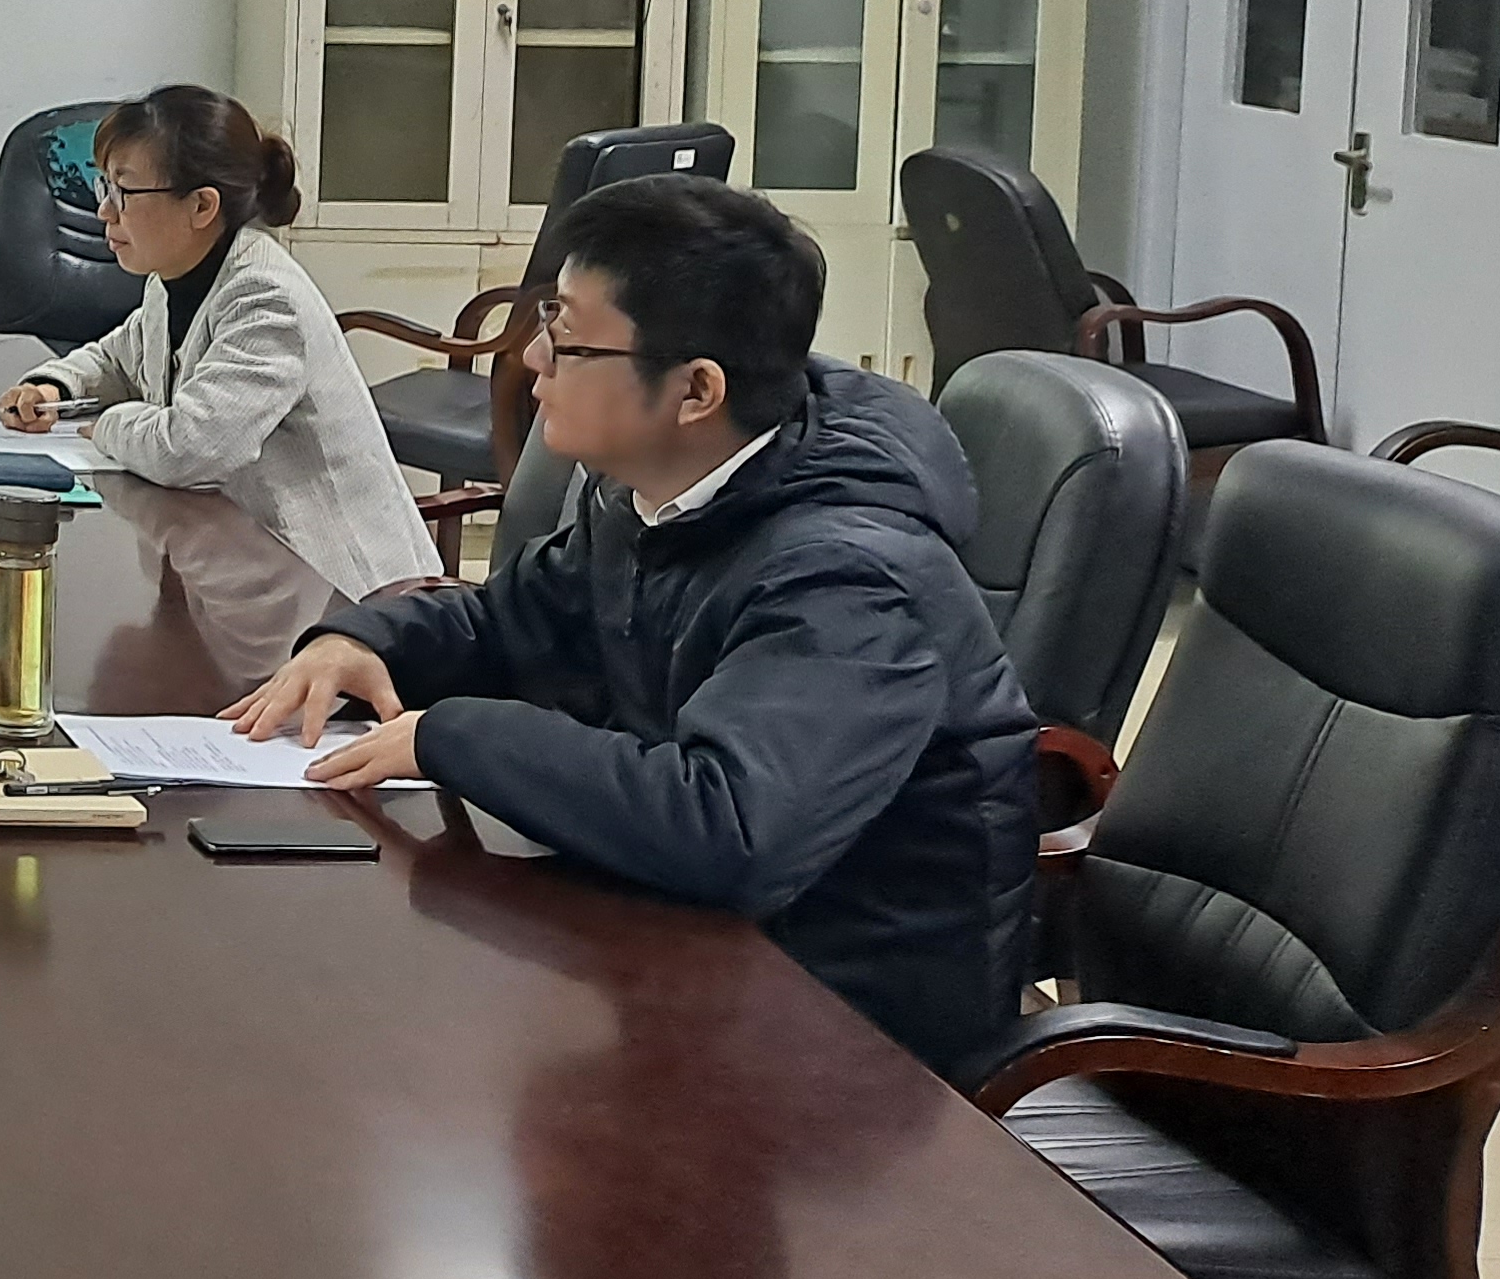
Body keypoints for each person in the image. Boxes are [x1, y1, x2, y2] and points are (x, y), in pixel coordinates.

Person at [224, 173, 1037, 1077]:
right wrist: (363, 643)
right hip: (688, 956)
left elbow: (729, 828)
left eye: (569, 339)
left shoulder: (850, 579)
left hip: (855, 1047)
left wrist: (449, 736)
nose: (534, 359)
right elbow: (509, 623)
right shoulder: (659, 491)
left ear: (696, 391)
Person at [0, 83, 440, 606]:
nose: (105, 212)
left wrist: (105, 426)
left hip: (348, 596)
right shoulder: (173, 280)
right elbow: (121, 357)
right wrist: (54, 387)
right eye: (104, 186)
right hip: (250, 576)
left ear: (202, 205)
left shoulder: (266, 299)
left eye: (125, 192)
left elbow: (188, 449)